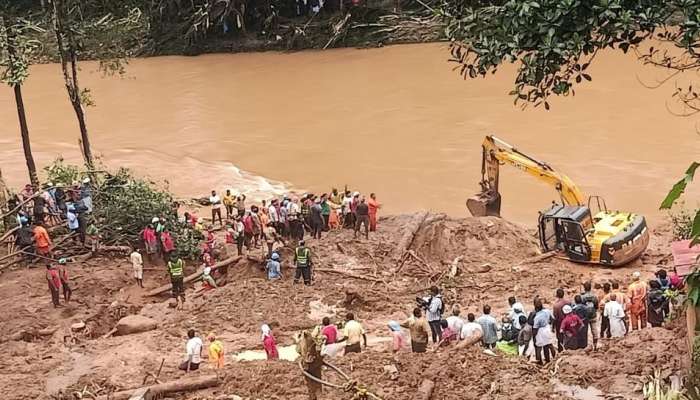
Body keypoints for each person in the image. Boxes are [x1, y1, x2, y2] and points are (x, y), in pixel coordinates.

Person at [532, 299, 556, 365]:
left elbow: (535, 329)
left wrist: (534, 337)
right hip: (547, 328)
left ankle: (540, 362)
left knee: (538, 347)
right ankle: (551, 359)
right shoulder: (547, 311)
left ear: (535, 308)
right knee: (549, 345)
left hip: (540, 331)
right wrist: (552, 328)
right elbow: (553, 319)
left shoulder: (537, 317)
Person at [580, 281, 600, 350]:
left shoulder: (582, 297)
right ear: (590, 288)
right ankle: (595, 345)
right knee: (594, 330)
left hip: (585, 317)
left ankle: (585, 346)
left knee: (585, 331)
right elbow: (597, 306)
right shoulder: (594, 296)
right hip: (593, 315)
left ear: (584, 288)